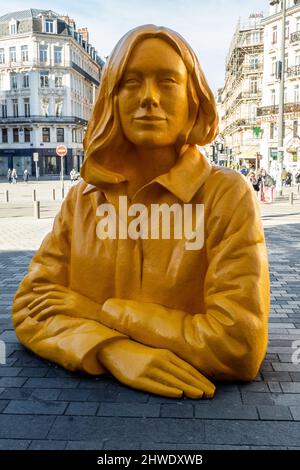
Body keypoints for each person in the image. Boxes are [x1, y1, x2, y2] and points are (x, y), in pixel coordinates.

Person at [12, 25, 270, 400]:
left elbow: (237, 346)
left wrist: (100, 312)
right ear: (112, 98)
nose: (149, 97)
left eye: (167, 81)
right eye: (131, 82)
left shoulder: (226, 195)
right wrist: (111, 349)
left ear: (192, 98)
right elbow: (30, 306)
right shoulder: (83, 199)